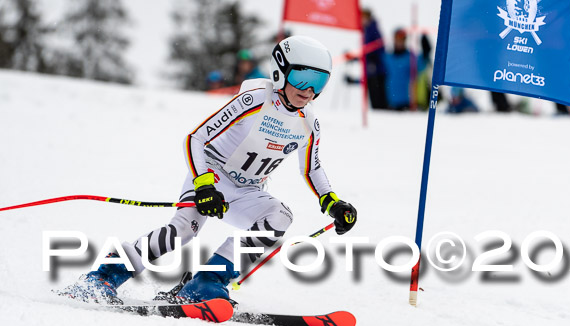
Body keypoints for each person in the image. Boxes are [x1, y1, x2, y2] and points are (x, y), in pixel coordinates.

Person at [63, 36, 358, 304]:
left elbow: (312, 168)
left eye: (319, 82)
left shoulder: (309, 123)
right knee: (180, 232)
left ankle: (207, 281)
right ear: (280, 71)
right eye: (302, 78)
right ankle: (102, 277)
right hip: (211, 175)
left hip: (247, 191)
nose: (309, 91)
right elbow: (195, 138)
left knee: (280, 216)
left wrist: (332, 201)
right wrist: (204, 185)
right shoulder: (254, 100)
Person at [384, 28, 424, 111]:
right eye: (397, 39)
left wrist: (426, 54)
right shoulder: (387, 57)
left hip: (408, 102)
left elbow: (422, 68)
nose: (399, 42)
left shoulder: (411, 57)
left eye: (402, 39)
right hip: (391, 102)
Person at [361, 9, 388, 110]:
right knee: (374, 95)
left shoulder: (372, 29)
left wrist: (371, 57)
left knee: (378, 96)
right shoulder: (366, 29)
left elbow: (379, 47)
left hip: (377, 68)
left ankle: (381, 111)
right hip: (371, 68)